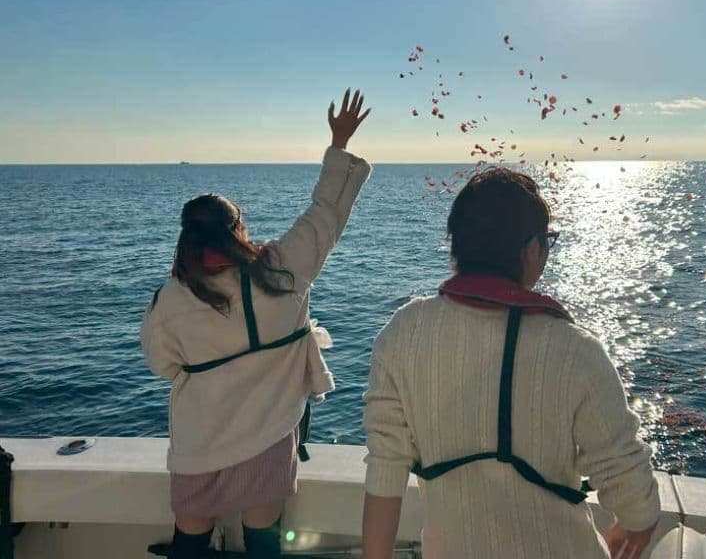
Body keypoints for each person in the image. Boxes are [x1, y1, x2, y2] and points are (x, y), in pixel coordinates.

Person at [362, 168, 660, 559]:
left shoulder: (402, 333)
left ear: (458, 248)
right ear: (531, 249)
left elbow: (385, 475)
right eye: (547, 243)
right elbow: (635, 501)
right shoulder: (576, 350)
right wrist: (635, 524)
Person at [142, 89, 371, 559]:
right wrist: (339, 143)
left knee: (190, 538)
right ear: (237, 230)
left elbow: (163, 365)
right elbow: (325, 214)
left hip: (199, 441)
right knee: (264, 540)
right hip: (269, 436)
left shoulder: (170, 298)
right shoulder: (282, 271)